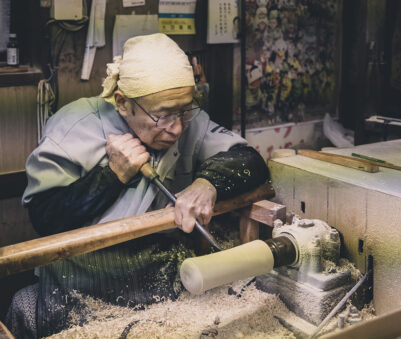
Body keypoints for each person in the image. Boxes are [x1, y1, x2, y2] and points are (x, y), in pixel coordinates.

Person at [5, 33, 269, 338]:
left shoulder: (189, 122)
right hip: (85, 276)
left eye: (184, 110)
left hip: (161, 266)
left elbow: (249, 160)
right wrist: (111, 176)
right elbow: (44, 216)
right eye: (163, 116)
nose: (178, 127)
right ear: (122, 102)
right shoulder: (73, 126)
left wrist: (207, 183)